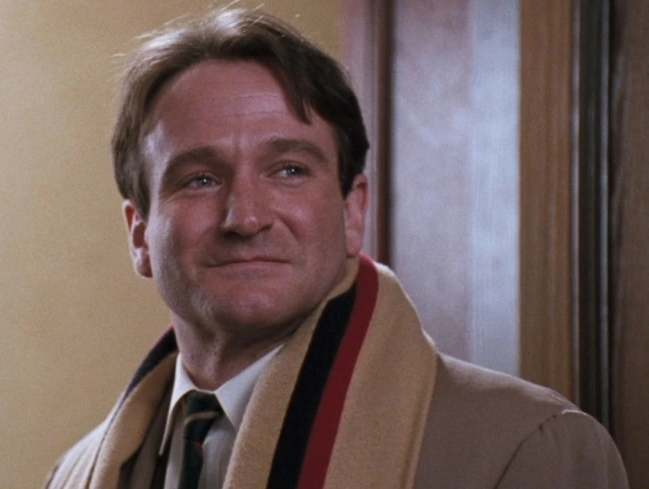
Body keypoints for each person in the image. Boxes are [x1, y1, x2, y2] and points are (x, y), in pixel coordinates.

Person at [44, 8, 629, 489]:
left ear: (353, 212)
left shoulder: (527, 451)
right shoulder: (74, 475)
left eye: (290, 170)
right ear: (140, 234)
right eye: (199, 179)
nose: (246, 217)